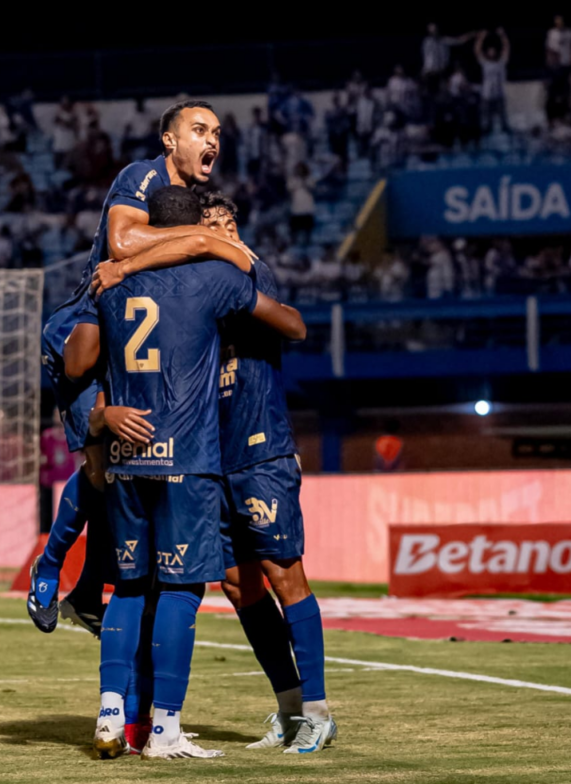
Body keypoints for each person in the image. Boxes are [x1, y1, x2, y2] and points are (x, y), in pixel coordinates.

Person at [90, 185, 305, 760]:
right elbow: (288, 322)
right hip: (187, 455)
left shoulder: (108, 284)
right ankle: (165, 730)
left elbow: (81, 358)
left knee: (129, 587)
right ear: (192, 231)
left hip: (125, 455)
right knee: (182, 588)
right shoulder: (214, 278)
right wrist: (222, 246)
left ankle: (111, 712)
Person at [31, 100, 248, 638]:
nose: (212, 140)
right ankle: (50, 566)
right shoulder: (142, 176)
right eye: (199, 130)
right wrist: (205, 241)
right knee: (101, 471)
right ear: (170, 140)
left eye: (217, 132)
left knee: (127, 472)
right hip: (85, 327)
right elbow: (122, 242)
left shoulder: (194, 203)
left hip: (132, 338)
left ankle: (88, 592)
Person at [199, 191, 336, 753]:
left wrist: (225, 247)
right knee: (236, 585)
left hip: (262, 452)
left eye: (227, 222)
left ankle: (319, 712)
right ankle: (289, 706)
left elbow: (291, 324)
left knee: (284, 576)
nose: (222, 232)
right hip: (215, 457)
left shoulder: (253, 271)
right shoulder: (197, 293)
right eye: (210, 224)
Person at [476, 28, 511, 134]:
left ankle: (505, 132)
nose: (491, 53)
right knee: (487, 118)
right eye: (490, 51)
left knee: (503, 118)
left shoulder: (500, 63)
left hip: (499, 93)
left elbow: (507, 49)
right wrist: (481, 38)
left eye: (493, 51)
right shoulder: (485, 63)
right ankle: (487, 132)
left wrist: (503, 36)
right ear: (487, 53)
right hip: (487, 94)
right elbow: (477, 51)